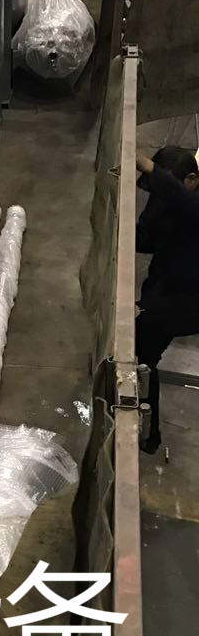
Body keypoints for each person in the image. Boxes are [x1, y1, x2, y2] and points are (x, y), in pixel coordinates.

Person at [134, 146, 199, 452]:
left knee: (141, 353)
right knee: (142, 352)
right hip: (170, 288)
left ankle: (148, 434)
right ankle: (148, 433)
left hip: (190, 300)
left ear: (192, 180)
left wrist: (149, 167)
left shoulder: (189, 202)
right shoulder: (168, 199)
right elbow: (145, 239)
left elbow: (180, 199)